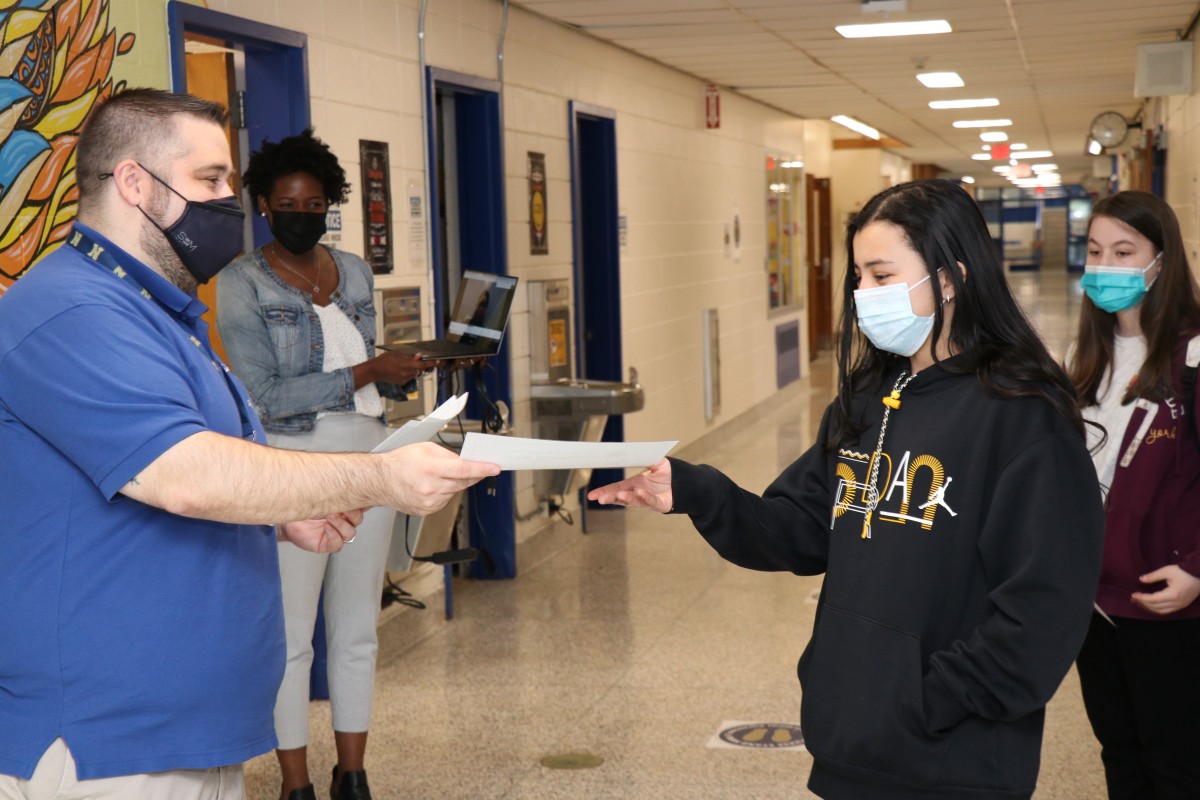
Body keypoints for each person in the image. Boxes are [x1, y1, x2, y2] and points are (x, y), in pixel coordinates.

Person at [0, 88, 498, 800]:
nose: (232, 201)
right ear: (135, 182)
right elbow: (188, 476)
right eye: (210, 181)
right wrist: (379, 479)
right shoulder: (72, 312)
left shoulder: (158, 313)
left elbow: (182, 467)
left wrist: (277, 514)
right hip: (107, 744)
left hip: (186, 730)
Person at [589, 179, 1105, 800]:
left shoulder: (1024, 417)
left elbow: (1042, 612)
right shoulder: (868, 401)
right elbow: (799, 531)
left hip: (955, 760)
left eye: (882, 276)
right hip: (850, 746)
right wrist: (695, 491)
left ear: (949, 280)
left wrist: (927, 702)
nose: (863, 295)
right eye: (858, 276)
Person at [215, 130, 436, 800]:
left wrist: (405, 374)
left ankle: (354, 774)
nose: (302, 214)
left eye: (314, 203)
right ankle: (294, 782)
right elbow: (264, 394)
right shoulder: (239, 283)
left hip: (369, 461)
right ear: (262, 204)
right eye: (288, 202)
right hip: (291, 467)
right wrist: (370, 368)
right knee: (290, 638)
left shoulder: (356, 272)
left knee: (358, 629)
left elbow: (363, 380)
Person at [1067, 190, 1200, 799]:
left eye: (1125, 251)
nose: (1107, 267)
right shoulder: (1085, 360)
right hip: (1094, 606)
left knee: (1175, 764)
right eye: (1095, 252)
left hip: (1166, 605)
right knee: (1119, 755)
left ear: (1161, 262)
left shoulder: (1190, 358)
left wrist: (1199, 571)